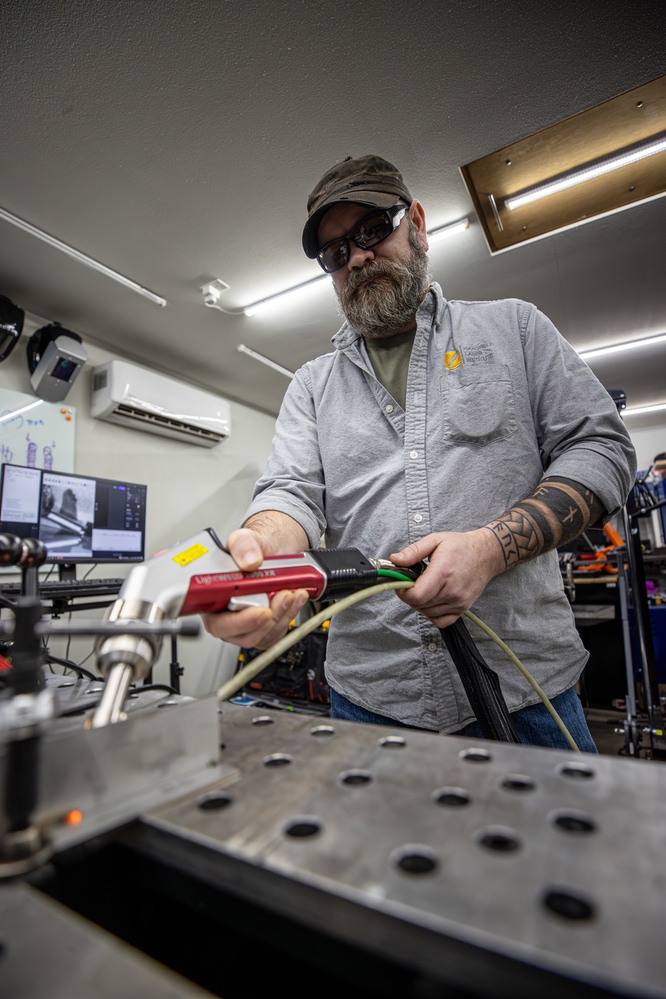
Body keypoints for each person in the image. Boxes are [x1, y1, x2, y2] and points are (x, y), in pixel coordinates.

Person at [204, 154, 637, 751]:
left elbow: (601, 448)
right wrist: (259, 559)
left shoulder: (515, 330)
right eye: (335, 253)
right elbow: (290, 495)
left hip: (525, 693)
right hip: (372, 699)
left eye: (371, 230)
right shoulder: (312, 385)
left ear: (417, 223)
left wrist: (490, 548)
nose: (357, 258)